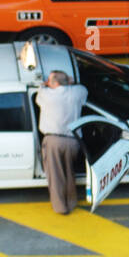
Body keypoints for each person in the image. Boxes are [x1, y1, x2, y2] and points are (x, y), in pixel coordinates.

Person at [35, 70, 88, 215]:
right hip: (73, 141)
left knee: (55, 175)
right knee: (69, 172)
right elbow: (84, 90)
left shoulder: (45, 94)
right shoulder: (77, 92)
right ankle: (71, 203)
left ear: (54, 83)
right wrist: (69, 82)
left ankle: (60, 207)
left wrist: (44, 85)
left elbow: (39, 91)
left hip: (53, 141)